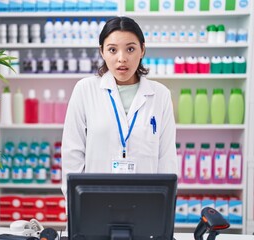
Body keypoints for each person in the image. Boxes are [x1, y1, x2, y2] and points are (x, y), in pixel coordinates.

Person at [61, 17, 178, 198]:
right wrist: (75, 205)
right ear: (102, 52)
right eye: (112, 50)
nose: (121, 58)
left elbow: (167, 159)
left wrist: (165, 206)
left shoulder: (160, 95)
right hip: (94, 199)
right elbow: (72, 155)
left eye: (130, 49)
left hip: (147, 201)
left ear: (142, 50)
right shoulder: (85, 90)